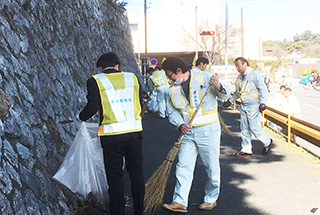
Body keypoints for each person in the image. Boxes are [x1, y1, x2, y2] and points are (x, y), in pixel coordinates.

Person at [76, 52, 145, 215]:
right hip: (134, 133)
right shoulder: (132, 78)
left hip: (111, 137)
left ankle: (118, 212)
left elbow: (92, 107)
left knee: (115, 178)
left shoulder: (95, 81)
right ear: (117, 65)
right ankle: (139, 211)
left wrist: (79, 118)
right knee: (136, 174)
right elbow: (140, 104)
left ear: (101, 68)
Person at [161, 57, 230, 213]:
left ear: (179, 71)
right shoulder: (171, 88)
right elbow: (171, 112)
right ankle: (179, 202)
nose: (168, 78)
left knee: (211, 166)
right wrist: (180, 124)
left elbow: (226, 96)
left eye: (169, 74)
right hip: (188, 133)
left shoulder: (205, 77)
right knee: (183, 166)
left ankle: (211, 199)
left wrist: (218, 86)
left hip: (209, 130)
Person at [223, 57, 273, 157]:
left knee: (254, 127)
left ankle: (267, 142)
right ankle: (246, 149)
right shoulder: (240, 77)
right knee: (244, 128)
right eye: (236, 66)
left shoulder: (255, 74)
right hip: (244, 105)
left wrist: (263, 103)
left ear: (245, 63)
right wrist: (230, 101)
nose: (237, 68)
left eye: (238, 65)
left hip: (254, 104)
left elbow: (263, 89)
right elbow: (238, 93)